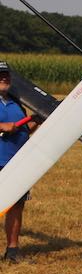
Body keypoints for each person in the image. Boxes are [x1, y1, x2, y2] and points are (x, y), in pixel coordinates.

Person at [0, 61, 40, 263]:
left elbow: (22, 129)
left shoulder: (16, 102)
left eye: (6, 75)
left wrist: (36, 121)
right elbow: (6, 127)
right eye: (0, 76)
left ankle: (13, 250)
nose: (4, 79)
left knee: (16, 206)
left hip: (17, 161)